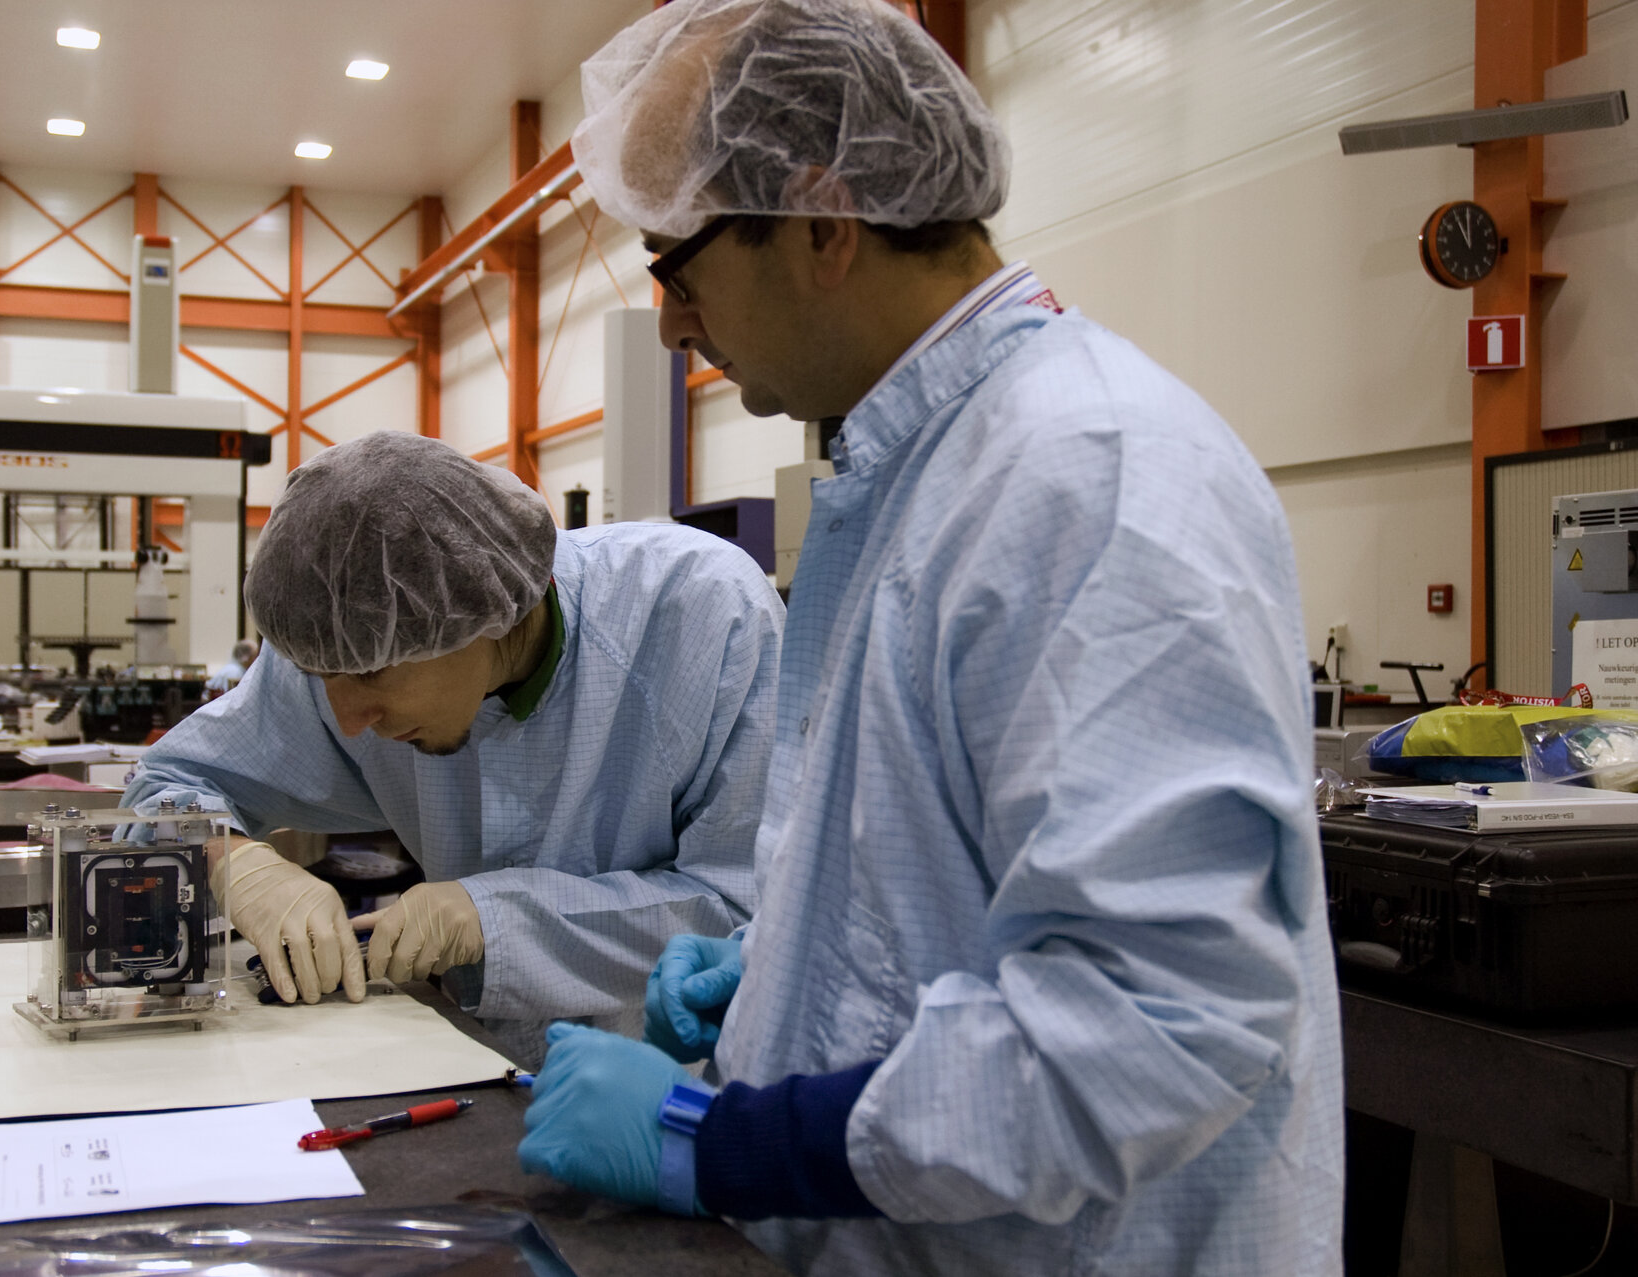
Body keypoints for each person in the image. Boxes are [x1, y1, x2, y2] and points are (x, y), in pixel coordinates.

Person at [514, 2, 1345, 1273]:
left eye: (675, 265)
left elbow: (1156, 1024)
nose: (672, 324)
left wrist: (721, 1142)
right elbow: (952, 858)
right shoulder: (924, 474)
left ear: (822, 220)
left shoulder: (1084, 477)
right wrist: (781, 962)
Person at [125, 431, 782, 1064]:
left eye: (372, 674)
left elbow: (747, 914)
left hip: (672, 1091)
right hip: (467, 1077)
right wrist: (235, 862)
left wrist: (493, 919)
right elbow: (159, 789)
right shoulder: (342, 640)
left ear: (492, 613)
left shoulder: (702, 616)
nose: (348, 719)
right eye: (326, 678)